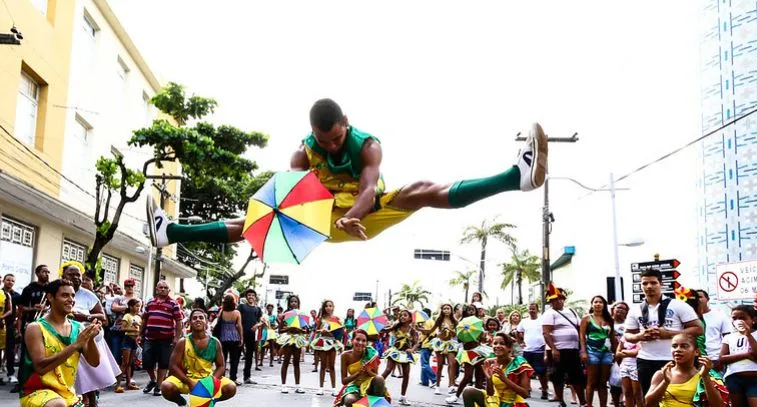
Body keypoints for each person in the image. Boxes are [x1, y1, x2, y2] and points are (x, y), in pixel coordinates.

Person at [146, 99, 549, 249]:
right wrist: (285, 219)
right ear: (314, 135)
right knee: (248, 222)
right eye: (326, 142)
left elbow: (370, 188)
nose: (333, 146)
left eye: (338, 138)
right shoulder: (303, 154)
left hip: (362, 212)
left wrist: (354, 213)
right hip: (322, 215)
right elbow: (292, 197)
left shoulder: (368, 145)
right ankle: (171, 232)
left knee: (421, 190)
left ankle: (517, 177)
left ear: (346, 124)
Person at [18, 279, 102, 407]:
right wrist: (74, 346)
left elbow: (95, 362)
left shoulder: (78, 328)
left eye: (72, 295)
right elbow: (40, 367)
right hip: (35, 391)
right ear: (50, 297)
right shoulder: (36, 328)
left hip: (64, 394)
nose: (70, 299)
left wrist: (91, 339)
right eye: (65, 295)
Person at [451, 333, 541, 407]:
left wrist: (505, 379)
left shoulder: (519, 363)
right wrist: (488, 379)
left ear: (509, 348)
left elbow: (525, 393)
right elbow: (490, 393)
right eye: (495, 343)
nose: (498, 346)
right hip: (494, 401)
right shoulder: (490, 362)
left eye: (502, 343)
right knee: (468, 391)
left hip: (512, 405)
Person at [624, 268, 703, 395]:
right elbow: (628, 335)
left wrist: (668, 334)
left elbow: (698, 329)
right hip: (645, 360)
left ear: (661, 284)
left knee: (676, 397)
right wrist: (641, 336)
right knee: (649, 398)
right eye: (645, 283)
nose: (649, 286)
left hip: (674, 359)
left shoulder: (678, 305)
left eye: (653, 283)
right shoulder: (635, 309)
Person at [161, 309, 237, 407]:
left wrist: (211, 383)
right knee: (165, 386)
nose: (198, 320)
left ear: (206, 322)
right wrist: (189, 382)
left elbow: (221, 366)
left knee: (231, 388)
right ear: (190, 322)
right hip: (186, 379)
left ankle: (206, 405)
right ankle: (182, 405)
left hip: (207, 379)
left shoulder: (215, 342)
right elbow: (173, 366)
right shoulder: (183, 342)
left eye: (201, 318)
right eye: (194, 318)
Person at [61, 263, 118, 407]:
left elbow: (103, 318)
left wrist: (85, 317)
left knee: (87, 370)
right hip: (64, 337)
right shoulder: (57, 292)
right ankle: (73, 400)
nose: (75, 278)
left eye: (78, 275)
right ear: (63, 277)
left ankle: (91, 401)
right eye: (71, 275)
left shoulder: (88, 295)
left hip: (86, 338)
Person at [541, 283, 587, 407]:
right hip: (558, 351)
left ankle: (583, 403)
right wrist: (554, 349)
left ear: (563, 299)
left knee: (577, 376)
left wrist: (582, 348)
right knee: (557, 377)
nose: (558, 301)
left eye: (560, 298)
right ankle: (561, 402)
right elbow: (546, 333)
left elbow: (580, 329)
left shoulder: (571, 312)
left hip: (573, 349)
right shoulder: (549, 313)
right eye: (554, 299)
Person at [139, 280, 184, 397]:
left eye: (165, 287)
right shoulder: (150, 303)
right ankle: (153, 380)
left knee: (163, 363)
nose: (163, 289)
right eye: (161, 287)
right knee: (147, 362)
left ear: (168, 290)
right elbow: (144, 319)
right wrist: (140, 334)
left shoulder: (173, 304)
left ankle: (158, 386)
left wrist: (177, 337)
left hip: (166, 338)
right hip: (149, 338)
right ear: (156, 289)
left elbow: (179, 321)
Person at [11, 265, 50, 392]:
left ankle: (43, 382)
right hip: (31, 324)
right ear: (37, 273)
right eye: (44, 272)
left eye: (48, 272)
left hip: (47, 324)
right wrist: (34, 308)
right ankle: (22, 382)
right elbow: (21, 307)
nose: (47, 274)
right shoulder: (29, 288)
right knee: (25, 354)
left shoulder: (51, 288)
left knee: (45, 354)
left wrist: (47, 309)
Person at [579, 295, 617, 407]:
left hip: (606, 352)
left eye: (600, 302)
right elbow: (582, 336)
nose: (598, 304)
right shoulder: (587, 319)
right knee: (591, 381)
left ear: (604, 305)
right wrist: (583, 352)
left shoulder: (609, 319)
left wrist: (616, 352)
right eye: (595, 302)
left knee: (603, 382)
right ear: (592, 304)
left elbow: (612, 337)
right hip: (591, 351)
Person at [333, 329, 389, 407]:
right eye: (357, 339)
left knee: (379, 379)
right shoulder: (345, 356)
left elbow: (377, 376)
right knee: (349, 400)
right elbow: (344, 381)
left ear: (366, 343)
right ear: (352, 340)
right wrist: (358, 373)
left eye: (363, 341)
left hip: (370, 386)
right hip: (355, 386)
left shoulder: (370, 354)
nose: (360, 343)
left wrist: (368, 371)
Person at [446, 319, 492, 405]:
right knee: (468, 376)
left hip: (479, 352)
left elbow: (483, 339)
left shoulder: (479, 330)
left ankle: (479, 399)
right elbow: (459, 340)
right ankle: (456, 396)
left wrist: (483, 337)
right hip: (468, 353)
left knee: (479, 377)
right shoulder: (462, 333)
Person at [381, 309, 418, 405]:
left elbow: (416, 343)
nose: (402, 317)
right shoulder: (396, 327)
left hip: (405, 353)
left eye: (405, 315)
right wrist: (380, 327)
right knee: (388, 370)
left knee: (406, 375)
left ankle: (403, 396)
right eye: (401, 315)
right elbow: (385, 330)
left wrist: (412, 349)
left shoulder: (412, 330)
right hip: (395, 351)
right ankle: (375, 386)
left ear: (410, 318)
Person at [517, 303, 548, 400]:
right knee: (526, 371)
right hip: (527, 350)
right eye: (530, 309)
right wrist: (520, 342)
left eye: (533, 309)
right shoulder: (524, 321)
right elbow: (518, 332)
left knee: (541, 371)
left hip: (540, 349)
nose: (532, 311)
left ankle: (544, 390)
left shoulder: (542, 319)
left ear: (537, 310)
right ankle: (527, 390)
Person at [312, 300, 343, 395]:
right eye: (327, 306)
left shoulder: (337, 319)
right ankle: (321, 387)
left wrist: (331, 333)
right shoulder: (321, 319)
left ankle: (334, 388)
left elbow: (339, 333)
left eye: (330, 306)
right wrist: (321, 331)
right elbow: (316, 330)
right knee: (323, 366)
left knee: (332, 366)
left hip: (332, 342)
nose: (329, 307)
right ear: (324, 307)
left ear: (333, 307)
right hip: (323, 342)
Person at [277, 295, 307, 393]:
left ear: (298, 303)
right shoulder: (285, 315)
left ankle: (297, 385)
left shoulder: (301, 315)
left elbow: (306, 330)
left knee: (296, 362)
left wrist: (300, 330)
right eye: (292, 302)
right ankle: (283, 385)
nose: (294, 303)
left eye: (295, 302)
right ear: (289, 303)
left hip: (297, 339)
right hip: (288, 339)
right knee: (286, 361)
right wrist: (290, 328)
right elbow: (280, 330)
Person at [615, 332, 643, 407]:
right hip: (624, 365)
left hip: (636, 366)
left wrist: (624, 352)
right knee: (627, 392)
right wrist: (627, 353)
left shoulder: (641, 337)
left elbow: (636, 352)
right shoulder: (625, 336)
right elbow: (617, 352)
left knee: (638, 394)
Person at [431, 303, 459, 395]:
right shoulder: (439, 320)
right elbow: (434, 332)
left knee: (452, 364)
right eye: (444, 309)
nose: (446, 310)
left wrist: (449, 330)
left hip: (450, 343)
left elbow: (455, 334)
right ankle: (437, 386)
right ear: (442, 310)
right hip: (440, 343)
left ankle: (451, 386)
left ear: (451, 310)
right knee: (440, 365)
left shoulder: (455, 321)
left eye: (448, 308)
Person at [216, 293, 244, 385]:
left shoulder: (222, 312)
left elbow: (218, 322)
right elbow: (239, 326)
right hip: (234, 337)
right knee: (234, 360)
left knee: (222, 359)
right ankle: (233, 378)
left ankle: (222, 378)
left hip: (222, 338)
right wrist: (241, 338)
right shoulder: (237, 313)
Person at [236, 288, 262, 385]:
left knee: (250, 356)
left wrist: (257, 325)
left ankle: (247, 377)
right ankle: (233, 377)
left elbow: (261, 321)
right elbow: (236, 318)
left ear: (255, 297)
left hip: (251, 335)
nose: (251, 297)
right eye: (249, 295)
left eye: (252, 295)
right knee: (237, 355)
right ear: (246, 297)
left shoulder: (258, 309)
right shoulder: (241, 307)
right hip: (240, 334)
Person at [119, 298, 142, 391]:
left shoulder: (138, 317)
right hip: (127, 339)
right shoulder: (127, 316)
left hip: (134, 341)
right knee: (124, 363)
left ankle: (128, 383)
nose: (138, 308)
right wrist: (134, 330)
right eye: (136, 306)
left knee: (130, 363)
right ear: (131, 306)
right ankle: (117, 385)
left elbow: (141, 329)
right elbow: (122, 328)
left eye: (139, 306)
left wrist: (138, 329)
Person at [2, 273, 20, 387]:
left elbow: (20, 312)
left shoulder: (16, 296)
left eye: (12, 281)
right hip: (0, 324)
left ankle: (11, 373)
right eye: (8, 280)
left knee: (10, 350)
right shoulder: (0, 293)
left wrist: (18, 328)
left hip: (10, 325)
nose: (10, 282)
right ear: (4, 280)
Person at [416, 308, 437, 387]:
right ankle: (424, 381)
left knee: (424, 364)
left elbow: (426, 331)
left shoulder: (427, 322)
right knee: (425, 362)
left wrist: (418, 328)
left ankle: (434, 379)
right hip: (429, 344)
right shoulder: (431, 321)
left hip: (426, 344)